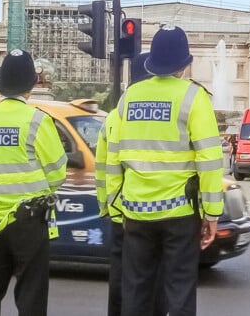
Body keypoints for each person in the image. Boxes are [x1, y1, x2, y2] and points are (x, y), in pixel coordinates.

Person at [107, 26, 223, 316]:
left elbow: (114, 157)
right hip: (179, 212)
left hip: (136, 210)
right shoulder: (194, 97)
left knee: (136, 291)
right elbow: (209, 159)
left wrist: (115, 206)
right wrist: (211, 213)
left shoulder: (129, 97)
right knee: (180, 291)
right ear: (184, 64)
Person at [0, 49, 67, 316]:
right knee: (30, 296)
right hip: (28, 220)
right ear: (31, 85)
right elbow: (57, 172)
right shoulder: (37, 120)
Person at [95, 53, 167, 316]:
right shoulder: (161, 114)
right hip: (156, 210)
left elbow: (102, 167)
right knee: (155, 283)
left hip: (120, 212)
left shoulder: (114, 116)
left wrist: (109, 209)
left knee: (121, 280)